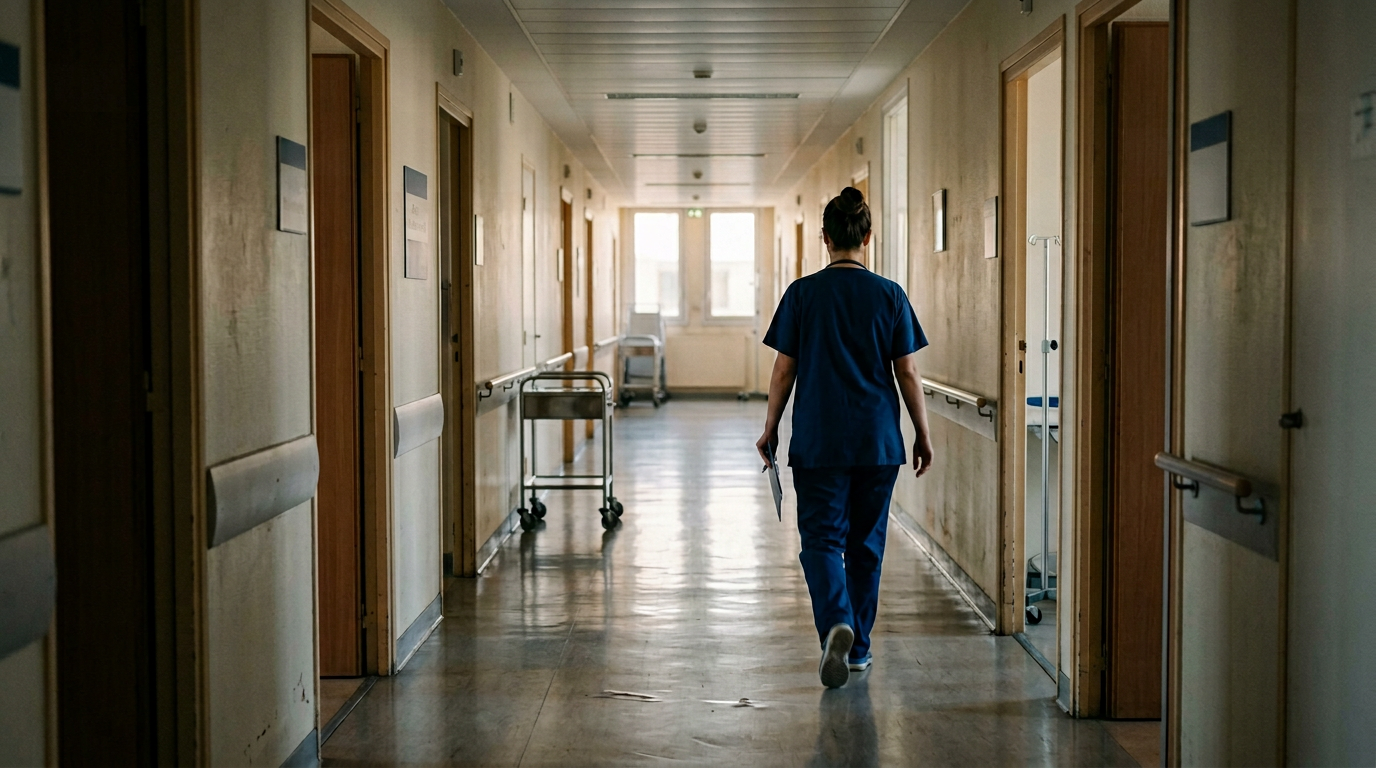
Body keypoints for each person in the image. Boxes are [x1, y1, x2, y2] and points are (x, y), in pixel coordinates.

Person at [756, 186, 935, 689]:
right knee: (866, 546)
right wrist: (922, 433)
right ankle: (858, 648)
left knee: (820, 541)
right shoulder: (890, 295)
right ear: (867, 237)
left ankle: (836, 620)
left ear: (826, 237)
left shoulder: (802, 294)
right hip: (878, 443)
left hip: (818, 442)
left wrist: (770, 427)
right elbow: (908, 373)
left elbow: (783, 371)